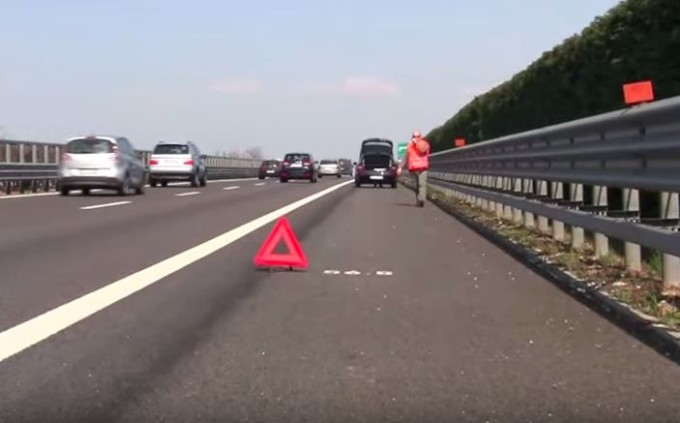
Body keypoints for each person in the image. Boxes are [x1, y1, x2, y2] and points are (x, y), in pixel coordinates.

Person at [397, 130, 430, 207]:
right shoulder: (409, 146)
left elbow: (423, 150)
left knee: (422, 184)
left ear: (420, 137)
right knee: (416, 186)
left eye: (417, 136)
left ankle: (422, 200)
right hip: (413, 169)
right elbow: (405, 158)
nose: (416, 138)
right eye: (414, 136)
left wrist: (416, 143)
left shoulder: (425, 144)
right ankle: (418, 200)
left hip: (422, 168)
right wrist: (400, 167)